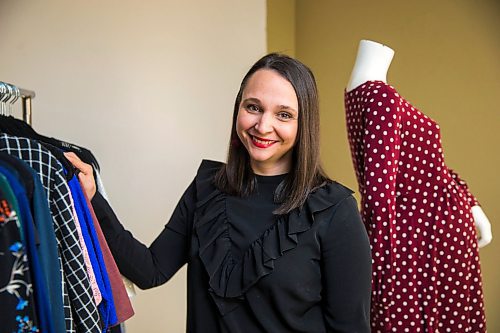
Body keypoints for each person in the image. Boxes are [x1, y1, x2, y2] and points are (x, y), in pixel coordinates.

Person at [66, 53, 372, 333]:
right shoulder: (207, 189)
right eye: (253, 107)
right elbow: (150, 271)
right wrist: (93, 200)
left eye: (283, 115)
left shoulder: (334, 210)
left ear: (304, 124)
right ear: (238, 108)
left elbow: (350, 328)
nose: (263, 126)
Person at [345, 40, 490, 332]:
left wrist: (471, 203)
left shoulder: (361, 92)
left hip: (431, 236)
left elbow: (433, 170)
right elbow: (377, 195)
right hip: (418, 241)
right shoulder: (379, 97)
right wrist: (386, 272)